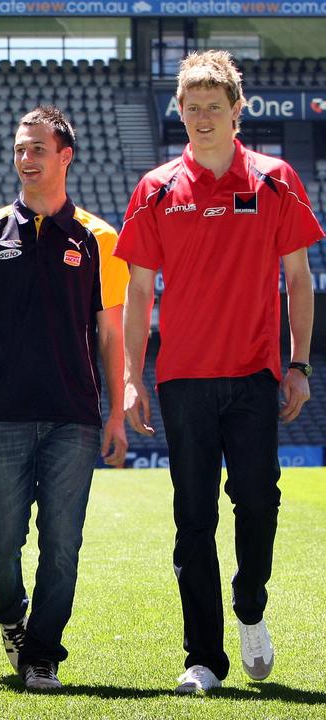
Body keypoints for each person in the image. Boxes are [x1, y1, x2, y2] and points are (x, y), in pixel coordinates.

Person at [117, 50, 320, 696]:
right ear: (179, 112)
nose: (202, 118)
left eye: (214, 107)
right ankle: (203, 657)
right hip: (183, 379)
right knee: (193, 518)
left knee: (258, 501)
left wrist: (299, 363)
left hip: (257, 375)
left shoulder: (276, 180)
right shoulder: (154, 189)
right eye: (192, 107)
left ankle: (251, 604)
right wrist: (130, 376)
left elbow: (297, 280)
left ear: (238, 111)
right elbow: (140, 292)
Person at [0, 106, 129, 691]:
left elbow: (110, 332)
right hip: (1, 415)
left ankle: (42, 653)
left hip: (74, 418)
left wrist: (116, 413)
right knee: (1, 545)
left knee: (62, 544)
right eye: (20, 149)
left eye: (37, 150)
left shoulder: (101, 239)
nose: (26, 160)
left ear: (64, 157)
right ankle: (9, 614)